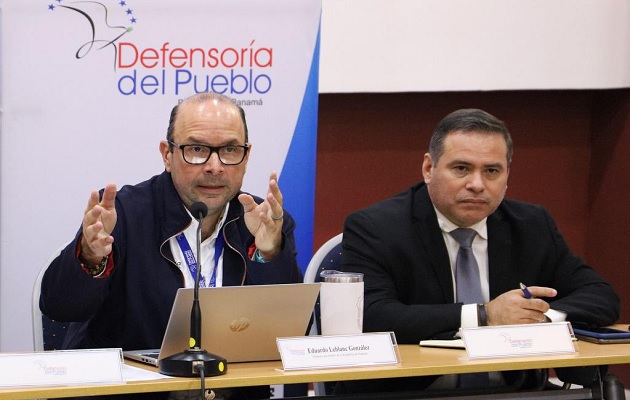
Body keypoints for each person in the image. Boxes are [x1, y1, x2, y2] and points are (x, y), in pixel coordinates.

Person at [40, 92, 302, 399]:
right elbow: (59, 305)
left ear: (247, 155)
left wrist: (269, 254)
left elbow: (290, 334)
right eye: (196, 149)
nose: (214, 166)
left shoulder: (262, 220)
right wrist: (89, 255)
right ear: (167, 154)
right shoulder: (124, 214)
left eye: (230, 150)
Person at [338, 108, 620, 393]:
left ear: (507, 176)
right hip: (408, 393)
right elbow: (371, 316)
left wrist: (536, 317)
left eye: (492, 171)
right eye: (461, 168)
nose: (477, 184)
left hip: (515, 394)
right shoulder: (376, 227)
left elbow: (601, 296)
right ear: (428, 168)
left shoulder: (531, 224)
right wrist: (485, 316)